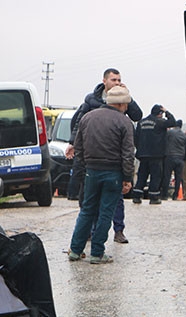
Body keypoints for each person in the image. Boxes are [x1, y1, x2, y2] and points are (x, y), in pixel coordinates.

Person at [65, 68, 142, 244]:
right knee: (89, 201)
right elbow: (79, 123)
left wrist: (127, 95)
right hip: (94, 158)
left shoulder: (123, 103)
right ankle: (91, 235)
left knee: (115, 200)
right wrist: (73, 144)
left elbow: (137, 115)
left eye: (119, 80)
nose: (116, 82)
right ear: (104, 81)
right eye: (113, 80)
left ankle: (118, 230)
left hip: (114, 158)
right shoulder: (91, 100)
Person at [133, 105, 176, 204]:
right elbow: (173, 122)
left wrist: (140, 148)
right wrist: (167, 112)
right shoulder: (160, 122)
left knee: (142, 175)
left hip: (143, 155)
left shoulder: (141, 122)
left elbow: (136, 137)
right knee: (155, 176)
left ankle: (137, 196)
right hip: (156, 154)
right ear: (160, 114)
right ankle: (154, 197)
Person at [163, 119, 185, 201]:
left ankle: (164, 194)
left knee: (167, 176)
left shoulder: (170, 133)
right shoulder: (184, 135)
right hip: (180, 158)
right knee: (178, 177)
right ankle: (175, 195)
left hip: (170, 156)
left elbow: (165, 140)